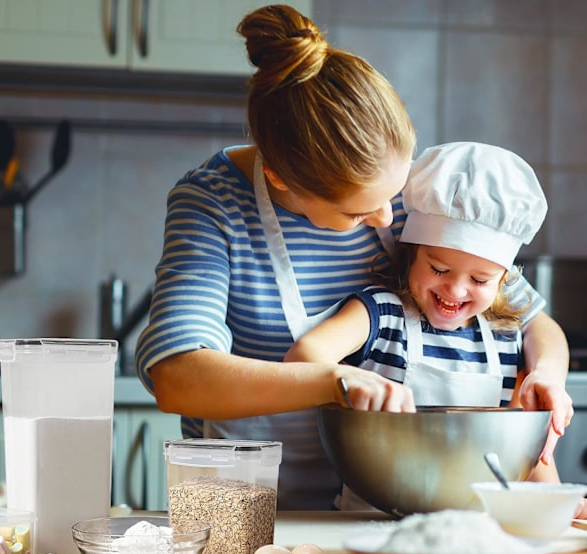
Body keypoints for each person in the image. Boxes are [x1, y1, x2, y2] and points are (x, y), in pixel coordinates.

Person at [135, 4, 573, 511]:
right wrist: (332, 379)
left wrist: (546, 375)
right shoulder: (213, 205)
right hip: (250, 512)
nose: (389, 219)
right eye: (359, 212)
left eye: (394, 194)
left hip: (381, 515)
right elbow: (178, 377)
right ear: (281, 178)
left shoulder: (419, 198)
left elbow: (532, 320)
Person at [284, 141, 570, 509]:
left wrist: (557, 503)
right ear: (410, 255)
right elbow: (304, 355)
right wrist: (349, 384)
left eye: (480, 280)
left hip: (475, 526)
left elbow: (528, 450)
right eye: (438, 269)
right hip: (371, 519)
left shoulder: (503, 337)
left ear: (504, 282)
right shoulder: (381, 314)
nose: (455, 289)